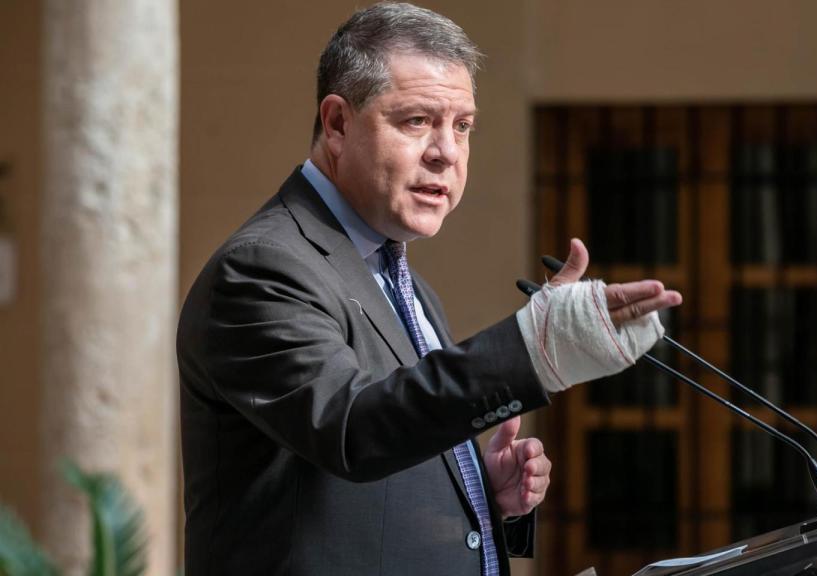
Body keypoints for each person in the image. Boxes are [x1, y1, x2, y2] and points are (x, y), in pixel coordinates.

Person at [177, 3, 682, 575]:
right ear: (338, 124)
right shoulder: (264, 269)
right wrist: (533, 349)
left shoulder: (404, 283)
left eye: (461, 125)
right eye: (417, 121)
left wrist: (474, 496)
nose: (446, 152)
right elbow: (351, 429)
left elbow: (378, 468)